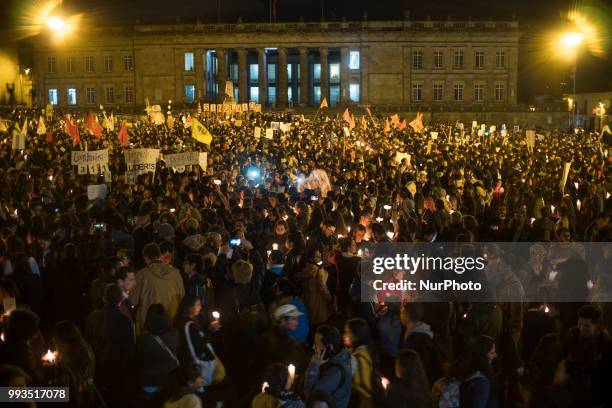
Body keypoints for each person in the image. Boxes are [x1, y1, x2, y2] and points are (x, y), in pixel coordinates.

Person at [85, 284, 136, 408]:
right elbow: (130, 349)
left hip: (98, 368)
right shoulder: (125, 321)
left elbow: (87, 341)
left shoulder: (93, 317)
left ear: (104, 298)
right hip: (118, 370)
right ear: (120, 300)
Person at [562, 304, 612, 407]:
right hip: (572, 390)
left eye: (586, 326)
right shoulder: (572, 335)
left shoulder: (605, 345)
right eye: (580, 323)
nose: (581, 328)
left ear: (597, 325)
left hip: (594, 394)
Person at [130, 242, 185, 334]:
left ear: (145, 257)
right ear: (160, 255)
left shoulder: (142, 275)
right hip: (171, 319)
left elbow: (133, 301)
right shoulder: (175, 273)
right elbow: (182, 296)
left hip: (149, 323)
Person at [47, 320, 103, 407]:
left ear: (63, 339)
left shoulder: (73, 359)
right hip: (88, 396)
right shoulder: (85, 349)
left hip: (78, 400)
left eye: (55, 339)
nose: (55, 343)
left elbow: (66, 388)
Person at [136, 303, 180, 402]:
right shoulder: (175, 334)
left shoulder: (143, 340)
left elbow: (139, 361)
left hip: (149, 384)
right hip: (170, 381)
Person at [255, 304, 307, 384]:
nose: (297, 323)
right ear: (282, 320)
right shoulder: (268, 340)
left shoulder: (283, 336)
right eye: (293, 319)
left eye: (297, 319)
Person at [303, 325, 352, 408]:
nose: (313, 347)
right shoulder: (337, 358)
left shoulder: (335, 372)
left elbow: (310, 396)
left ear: (329, 348)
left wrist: (313, 366)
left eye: (316, 344)